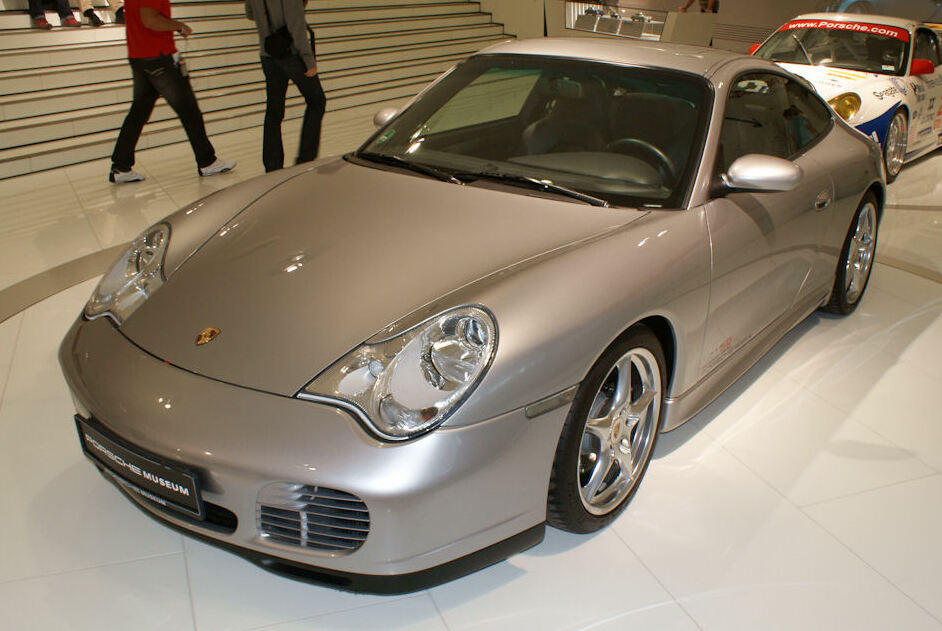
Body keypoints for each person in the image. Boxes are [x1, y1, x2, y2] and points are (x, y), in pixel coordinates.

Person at [110, 0, 234, 183]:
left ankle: (120, 166)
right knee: (189, 110)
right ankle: (207, 161)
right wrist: (179, 26)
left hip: (139, 55)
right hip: (159, 57)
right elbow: (150, 19)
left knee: (138, 112)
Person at [245, 0, 326, 172]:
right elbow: (295, 24)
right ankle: (306, 159)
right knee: (317, 101)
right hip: (292, 54)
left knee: (274, 111)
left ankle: (272, 167)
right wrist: (308, 60)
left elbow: (250, 14)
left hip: (267, 54)